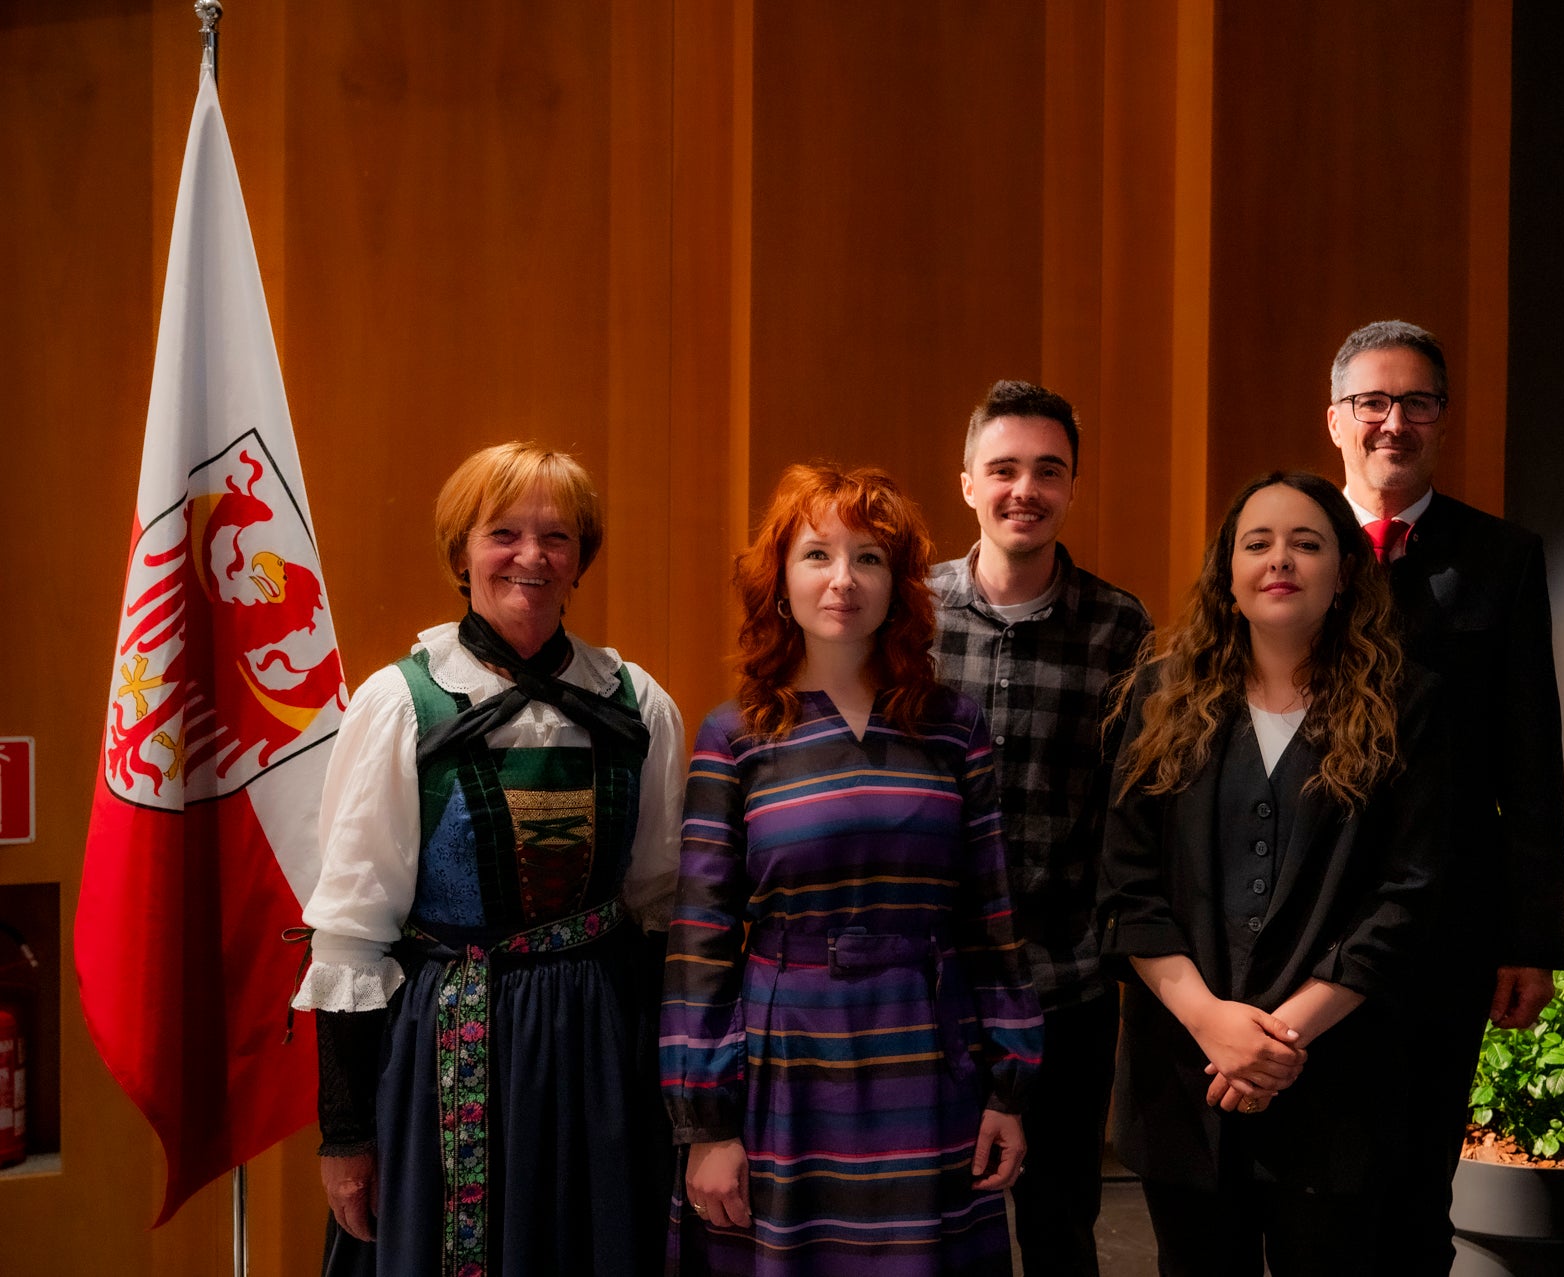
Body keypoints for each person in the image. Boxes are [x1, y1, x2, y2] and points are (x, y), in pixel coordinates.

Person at [292, 442, 686, 1275]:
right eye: (503, 532)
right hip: (450, 1049)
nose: (532, 556)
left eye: (558, 536)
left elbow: (659, 908)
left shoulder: (636, 701)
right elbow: (352, 937)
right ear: (460, 552)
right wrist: (346, 1133)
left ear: (581, 557)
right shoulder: (401, 703)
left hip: (599, 1052)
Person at [660, 462, 1043, 1277]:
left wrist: (1008, 1086)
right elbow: (699, 944)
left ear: (899, 583)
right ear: (779, 581)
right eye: (817, 555)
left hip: (931, 1056)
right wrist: (706, 1124)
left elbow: (991, 917)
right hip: (786, 1071)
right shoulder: (733, 736)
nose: (843, 579)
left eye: (868, 557)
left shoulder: (953, 727)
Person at [1096, 471, 1449, 1276]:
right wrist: (1212, 1025)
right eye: (1257, 543)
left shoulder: (1409, 706)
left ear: (1345, 570)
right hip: (1183, 1079)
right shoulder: (1159, 695)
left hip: (1339, 1080)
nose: (1279, 559)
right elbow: (1125, 884)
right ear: (1229, 572)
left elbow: (1411, 895)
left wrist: (1279, 1040)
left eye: (1307, 542)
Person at [1325, 319, 1564, 1272]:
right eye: (1372, 402)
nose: (1394, 422)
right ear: (1335, 419)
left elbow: (1530, 754)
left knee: (1418, 1188)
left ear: (1442, 419)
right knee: (1315, 1190)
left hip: (1445, 928)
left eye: (1417, 401)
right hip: (1307, 915)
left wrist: (1530, 936)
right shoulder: (1286, 543)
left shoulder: (1502, 558)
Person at [930, 379, 1152, 1275]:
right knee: (937, 1222)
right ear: (968, 483)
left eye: (1047, 471)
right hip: (932, 978)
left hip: (1068, 979)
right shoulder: (908, 615)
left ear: (1071, 486)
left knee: (1063, 1223)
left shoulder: (1119, 625)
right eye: (1005, 469)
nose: (1026, 489)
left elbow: (1134, 806)